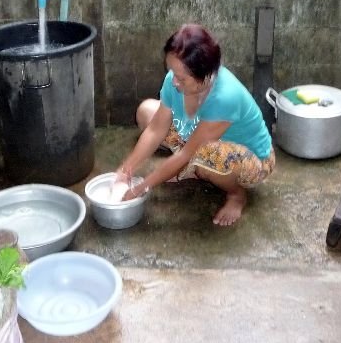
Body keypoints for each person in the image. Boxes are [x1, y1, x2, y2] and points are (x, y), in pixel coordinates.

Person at [116, 23, 275, 226]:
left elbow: (186, 153)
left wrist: (142, 187)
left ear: (205, 75)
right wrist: (125, 169)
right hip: (199, 139)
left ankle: (237, 195)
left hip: (253, 159)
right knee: (146, 111)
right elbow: (156, 129)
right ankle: (190, 170)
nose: (174, 82)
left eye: (181, 78)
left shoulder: (225, 97)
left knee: (205, 155)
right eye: (172, 72)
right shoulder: (176, 80)